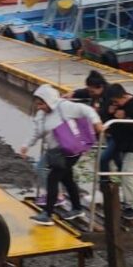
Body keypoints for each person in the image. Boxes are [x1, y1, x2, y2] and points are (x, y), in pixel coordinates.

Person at [22, 85, 103, 226]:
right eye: (37, 105)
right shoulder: (42, 114)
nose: (40, 107)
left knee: (53, 177)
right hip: (56, 151)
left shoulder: (64, 107)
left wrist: (97, 122)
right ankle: (77, 208)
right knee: (67, 179)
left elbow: (87, 110)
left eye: (41, 104)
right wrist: (26, 145)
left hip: (70, 150)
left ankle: (47, 213)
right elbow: (38, 132)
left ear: (49, 100)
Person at [106, 84, 133, 220]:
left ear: (123, 96)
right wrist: (111, 113)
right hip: (123, 145)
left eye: (116, 101)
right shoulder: (116, 107)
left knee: (127, 175)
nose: (115, 104)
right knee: (132, 174)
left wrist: (123, 119)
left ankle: (131, 206)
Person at [66, 70, 120, 175]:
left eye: (92, 91)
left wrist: (97, 111)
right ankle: (109, 182)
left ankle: (108, 182)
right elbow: (85, 91)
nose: (90, 94)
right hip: (102, 130)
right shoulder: (97, 92)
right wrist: (74, 93)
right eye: (89, 91)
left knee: (112, 158)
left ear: (100, 87)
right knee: (113, 157)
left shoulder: (111, 94)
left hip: (114, 131)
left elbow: (109, 112)